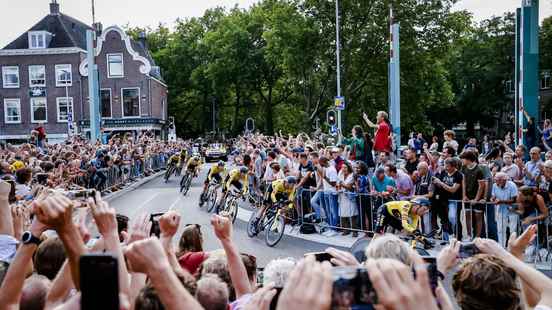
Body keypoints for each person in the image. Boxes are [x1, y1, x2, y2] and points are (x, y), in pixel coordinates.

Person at [432, 158, 463, 240]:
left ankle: (454, 235)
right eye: (445, 165)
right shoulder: (443, 172)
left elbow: (453, 189)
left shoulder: (458, 175)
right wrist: (437, 183)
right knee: (444, 219)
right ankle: (445, 238)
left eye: (448, 166)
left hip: (454, 200)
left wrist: (440, 183)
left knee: (452, 217)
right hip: (443, 199)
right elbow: (441, 185)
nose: (445, 167)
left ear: (454, 167)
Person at [460, 150, 487, 239]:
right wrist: (464, 195)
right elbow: (463, 182)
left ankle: (477, 237)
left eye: (463, 159)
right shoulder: (463, 168)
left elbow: (481, 186)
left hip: (477, 197)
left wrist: (476, 199)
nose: (462, 161)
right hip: (468, 196)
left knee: (478, 216)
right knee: (467, 215)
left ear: (469, 159)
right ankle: (469, 235)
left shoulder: (479, 170)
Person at [337, 161, 358, 237]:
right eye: (342, 167)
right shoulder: (340, 174)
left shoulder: (352, 175)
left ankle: (355, 231)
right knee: (343, 213)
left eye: (345, 167)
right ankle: (346, 230)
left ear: (348, 168)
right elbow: (337, 184)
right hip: (342, 196)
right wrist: (339, 188)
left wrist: (342, 184)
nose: (343, 169)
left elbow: (349, 187)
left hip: (350, 197)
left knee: (352, 214)